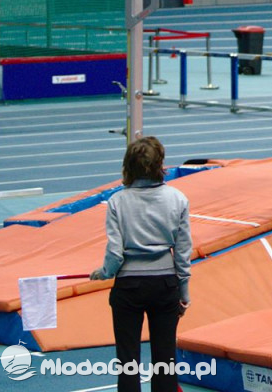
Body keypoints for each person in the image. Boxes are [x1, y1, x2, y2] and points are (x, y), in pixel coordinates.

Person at [91, 136, 192, 392]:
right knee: (165, 359)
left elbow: (115, 253)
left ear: (128, 166)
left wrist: (104, 273)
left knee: (128, 361)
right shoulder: (177, 199)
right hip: (165, 285)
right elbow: (182, 251)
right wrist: (183, 292)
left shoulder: (117, 202)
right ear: (161, 164)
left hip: (129, 287)